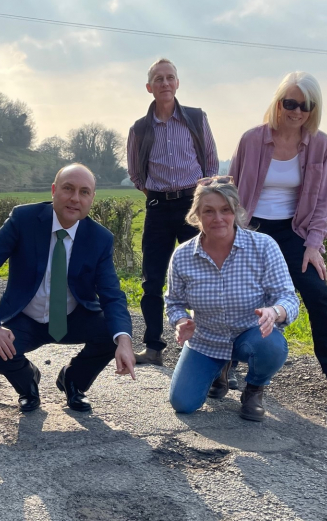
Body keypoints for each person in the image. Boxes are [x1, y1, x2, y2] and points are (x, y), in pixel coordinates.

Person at [229, 71, 327, 404]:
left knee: (318, 293)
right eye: (290, 103)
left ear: (314, 109)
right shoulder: (252, 140)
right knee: (237, 293)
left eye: (306, 105)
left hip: (293, 231)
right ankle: (224, 363)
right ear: (278, 103)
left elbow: (323, 200)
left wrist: (314, 244)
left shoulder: (320, 144)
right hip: (251, 228)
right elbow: (232, 189)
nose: (297, 111)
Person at [0, 164, 136, 413]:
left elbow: (112, 294)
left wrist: (124, 341)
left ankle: (73, 380)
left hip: (72, 317)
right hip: (25, 317)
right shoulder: (23, 220)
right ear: (54, 190)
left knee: (113, 334)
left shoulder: (100, 238)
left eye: (84, 192)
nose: (74, 198)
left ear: (92, 199)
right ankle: (28, 384)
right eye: (68, 189)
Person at [166, 180, 300, 421]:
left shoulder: (263, 246)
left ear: (236, 211)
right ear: (197, 215)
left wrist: (275, 311)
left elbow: (288, 297)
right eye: (209, 211)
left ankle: (254, 389)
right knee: (182, 403)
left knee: (271, 346)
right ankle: (220, 369)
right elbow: (174, 303)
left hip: (250, 335)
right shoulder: (182, 256)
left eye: (225, 210)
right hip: (206, 340)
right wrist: (181, 321)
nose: (218, 217)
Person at [127, 58, 220, 367]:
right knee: (151, 280)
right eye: (158, 79)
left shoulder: (195, 118)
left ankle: (209, 349)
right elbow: (136, 174)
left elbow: (210, 162)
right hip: (156, 208)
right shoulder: (139, 129)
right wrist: (157, 195)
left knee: (203, 276)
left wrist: (201, 198)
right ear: (149, 87)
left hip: (192, 206)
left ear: (177, 83)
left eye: (170, 78)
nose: (165, 83)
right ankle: (153, 348)